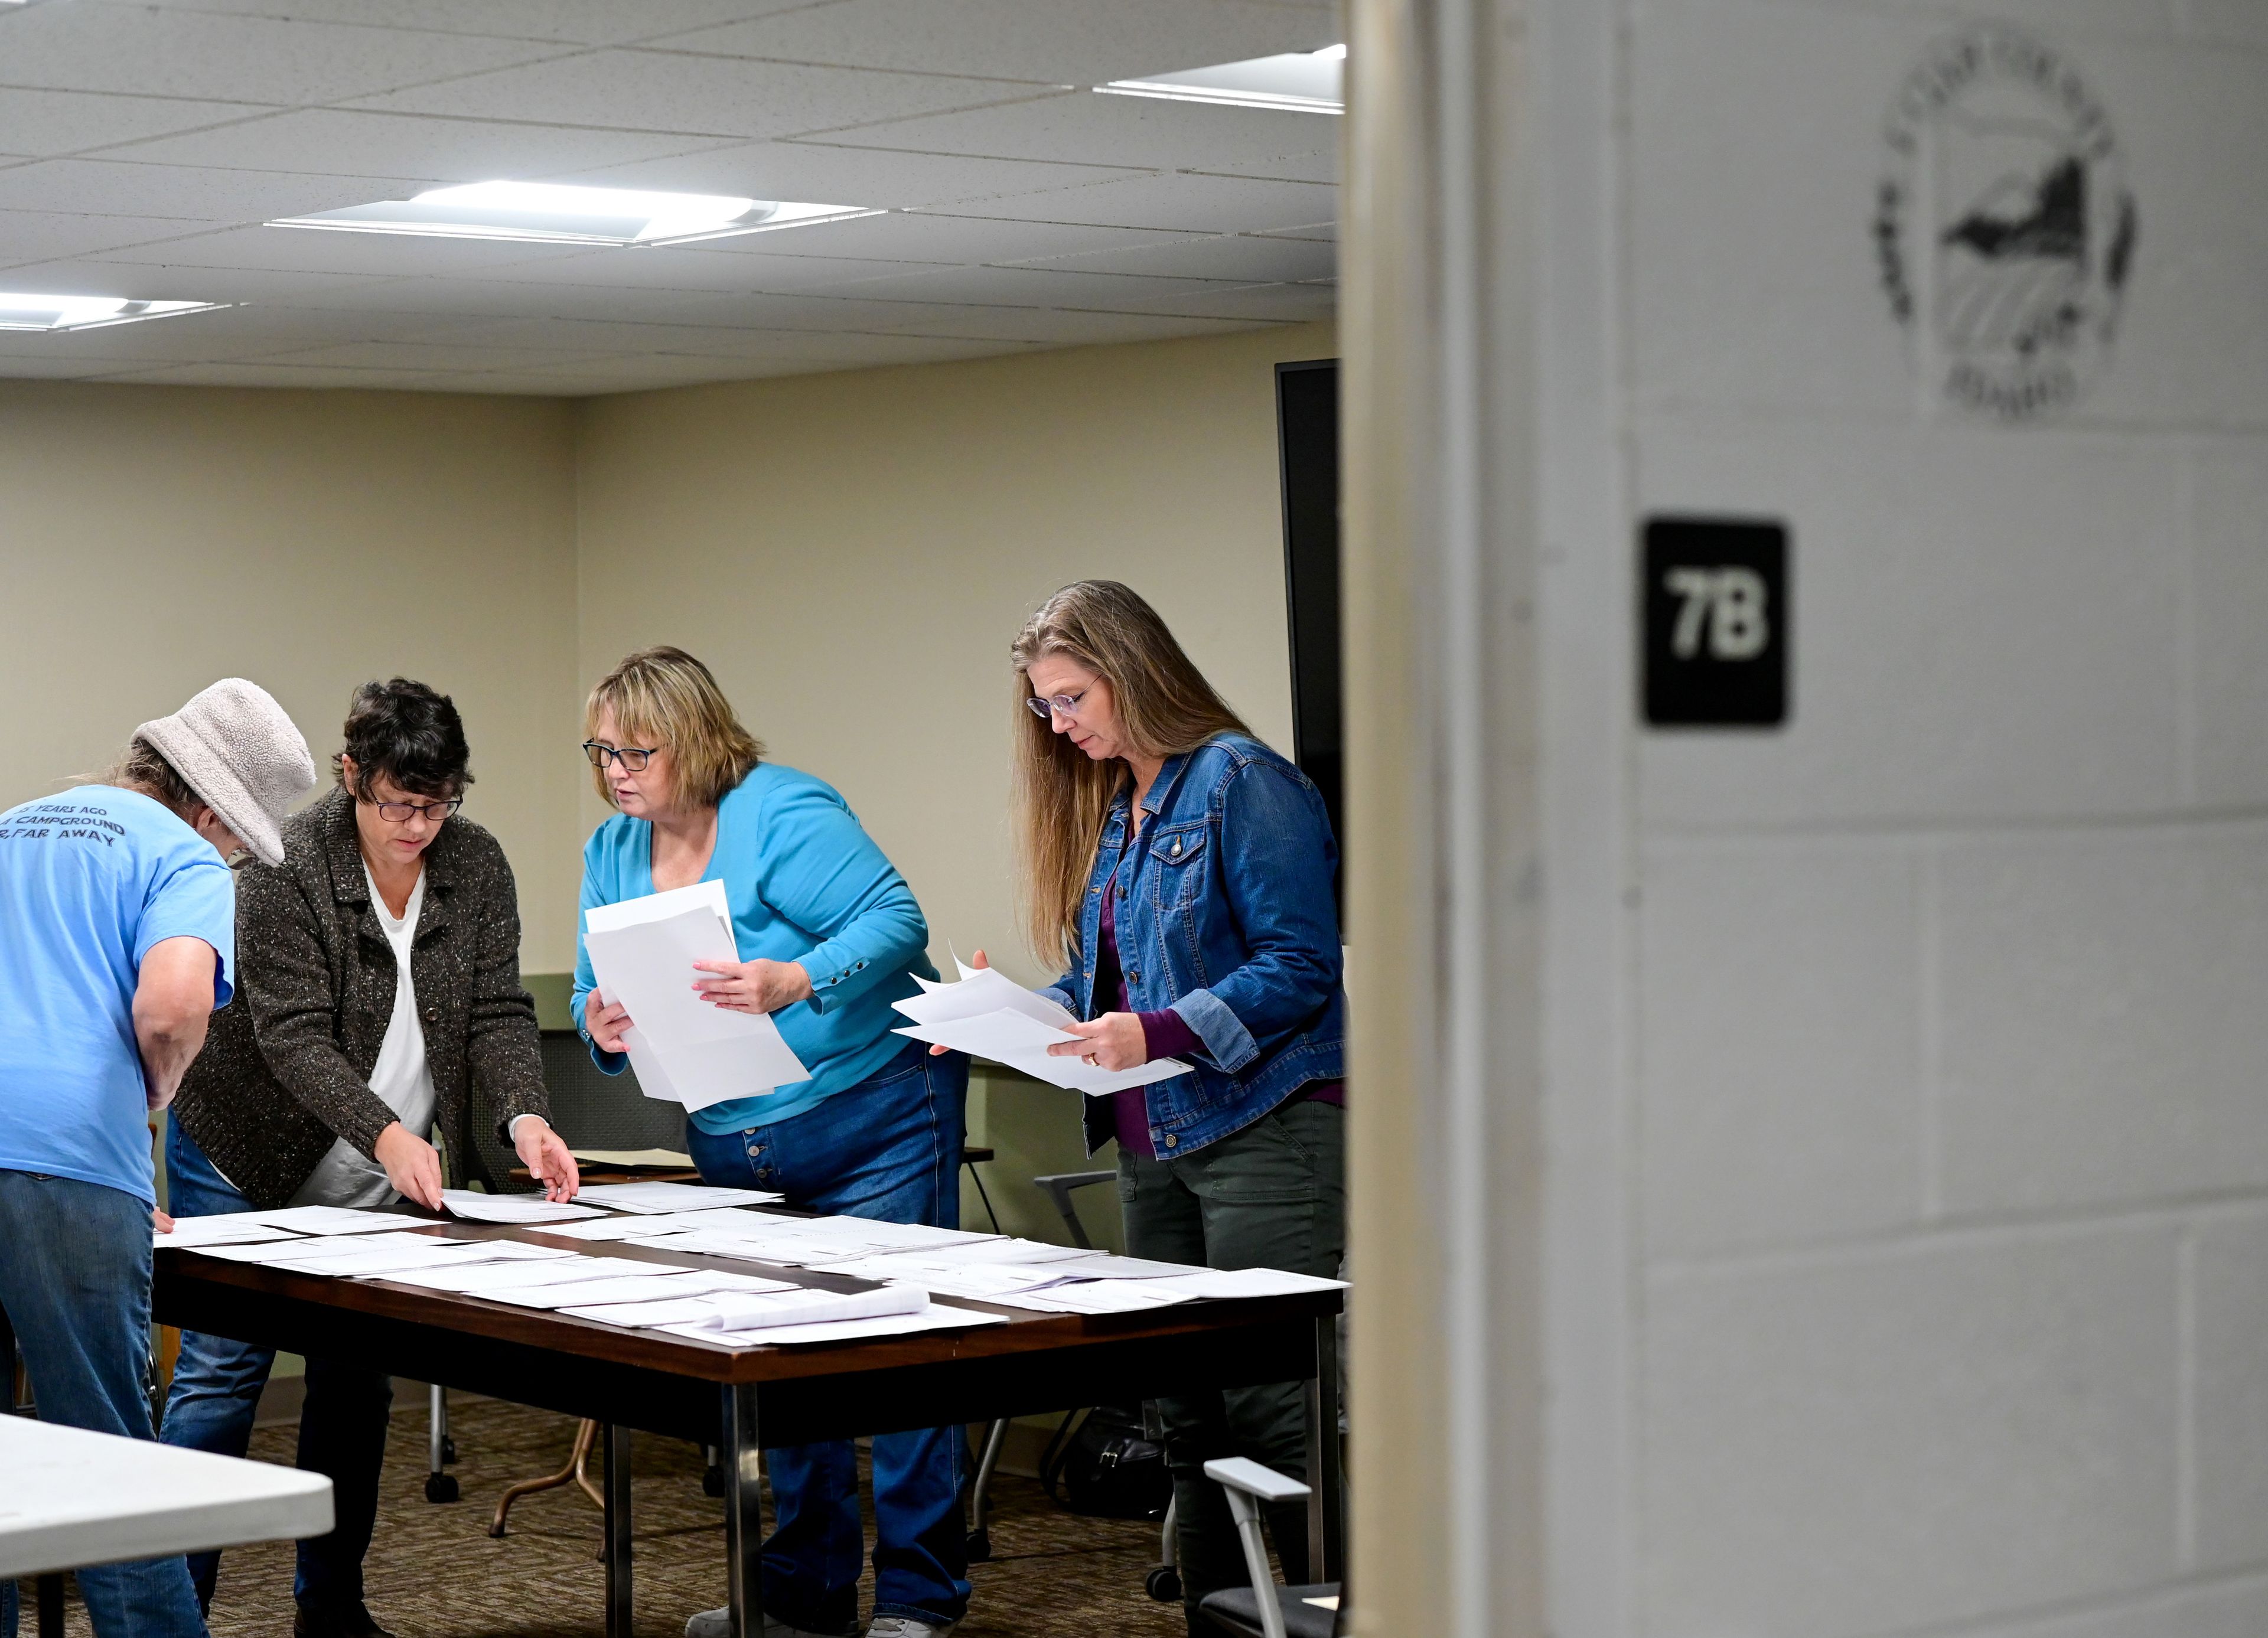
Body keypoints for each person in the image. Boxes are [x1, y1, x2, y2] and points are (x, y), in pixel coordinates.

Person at [159, 678, 579, 1638]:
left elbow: (499, 1011)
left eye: (438, 804)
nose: (419, 825)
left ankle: (332, 1607)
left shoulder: (476, 863)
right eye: (399, 802)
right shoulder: (284, 862)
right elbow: (291, 1033)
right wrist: (390, 1132)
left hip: (377, 1170)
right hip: (248, 1149)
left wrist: (523, 1116)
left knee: (356, 1380)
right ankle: (172, 1614)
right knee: (223, 1373)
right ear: (353, 776)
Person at [571, 647, 968, 1638]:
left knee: (901, 1357)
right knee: (788, 1363)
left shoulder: (780, 811)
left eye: (636, 750)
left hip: (871, 1107)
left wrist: (797, 978)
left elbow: (897, 919)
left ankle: (920, 1597)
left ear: (694, 738)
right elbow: (590, 984)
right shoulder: (609, 850)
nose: (616, 770)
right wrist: (597, 1022)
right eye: (601, 751)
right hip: (738, 1136)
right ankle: (807, 1592)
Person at [996, 581, 1346, 1630]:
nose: (1060, 725)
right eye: (1045, 708)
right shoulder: (1123, 808)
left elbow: (1299, 966)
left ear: (1134, 671)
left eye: (1071, 697)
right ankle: (1220, 1618)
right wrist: (1000, 1015)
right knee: (1184, 1422)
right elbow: (1099, 986)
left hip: (1264, 1133)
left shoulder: (1243, 781)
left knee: (1269, 1414)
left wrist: (1161, 1031)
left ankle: (1322, 1617)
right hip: (1153, 1143)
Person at [0, 679, 315, 1638]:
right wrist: (145, 1102)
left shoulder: (13, 824)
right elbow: (172, 1005)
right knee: (110, 1461)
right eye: (236, 842)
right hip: (66, 1160)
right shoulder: (181, 853)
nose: (231, 860)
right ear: (212, 807)